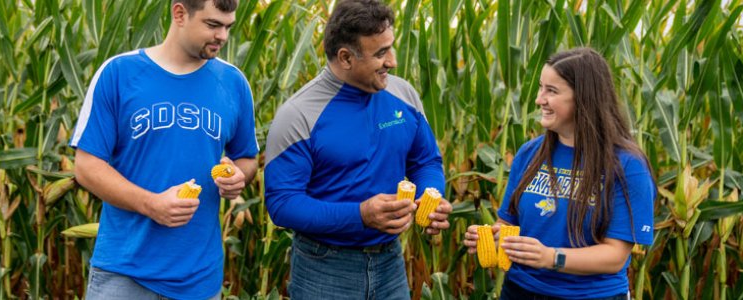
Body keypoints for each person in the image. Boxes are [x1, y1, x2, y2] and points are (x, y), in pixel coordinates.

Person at [263, 0, 453, 299]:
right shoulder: (298, 115)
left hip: (391, 263)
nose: (393, 61)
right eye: (380, 53)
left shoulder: (403, 95)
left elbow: (425, 161)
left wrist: (431, 196)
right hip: (324, 270)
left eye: (391, 47)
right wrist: (360, 215)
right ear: (345, 57)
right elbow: (282, 204)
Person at [70, 0, 258, 299]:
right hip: (125, 274)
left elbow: (247, 158)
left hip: (199, 277)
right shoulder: (119, 73)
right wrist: (151, 204)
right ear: (180, 13)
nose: (222, 36)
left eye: (227, 27)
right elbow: (86, 166)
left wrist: (239, 176)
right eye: (212, 25)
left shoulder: (233, 83)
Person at [464, 47, 655, 299]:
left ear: (584, 99)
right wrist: (491, 235)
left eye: (551, 91)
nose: (539, 99)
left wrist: (552, 257)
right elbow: (508, 222)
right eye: (541, 88)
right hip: (520, 290)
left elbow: (615, 256)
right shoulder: (529, 154)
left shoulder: (627, 166)